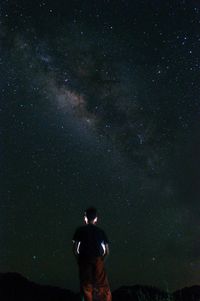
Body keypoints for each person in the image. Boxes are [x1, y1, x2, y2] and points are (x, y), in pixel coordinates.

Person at [72, 207, 112, 301]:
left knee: (86, 287)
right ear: (96, 219)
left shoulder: (80, 230)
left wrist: (79, 261)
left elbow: (74, 249)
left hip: (84, 260)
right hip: (98, 260)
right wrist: (101, 261)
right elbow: (107, 252)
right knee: (102, 287)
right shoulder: (101, 232)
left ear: (85, 218)